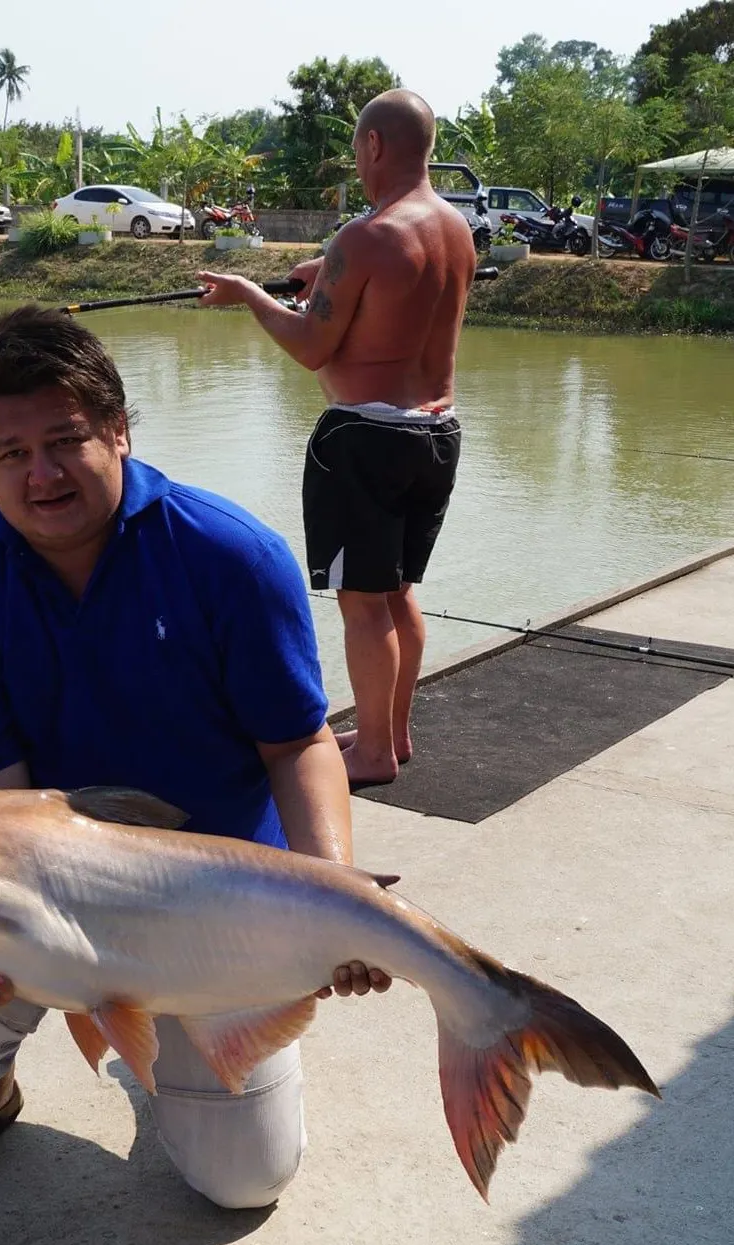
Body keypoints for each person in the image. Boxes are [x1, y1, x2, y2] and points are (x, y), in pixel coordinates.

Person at [0, 305, 389, 1207]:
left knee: (245, 1181)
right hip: (46, 885)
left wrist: (331, 891)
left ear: (119, 429)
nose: (41, 474)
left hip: (218, 895)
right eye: (10, 453)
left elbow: (298, 741)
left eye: (65, 439)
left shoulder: (230, 554)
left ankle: (166, 1041)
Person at [197, 89, 477, 790]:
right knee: (399, 593)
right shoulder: (453, 229)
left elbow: (312, 345)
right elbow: (393, 299)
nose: (357, 162)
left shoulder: (362, 237)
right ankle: (394, 732)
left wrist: (249, 297)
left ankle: (374, 752)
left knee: (361, 602)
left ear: (374, 146)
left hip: (364, 441)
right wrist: (327, 279)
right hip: (436, 435)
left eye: (357, 150)